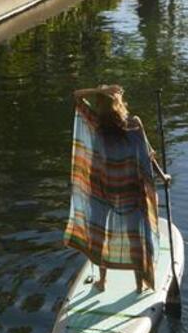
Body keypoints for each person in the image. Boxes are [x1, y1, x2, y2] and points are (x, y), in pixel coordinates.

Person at [64, 85, 169, 294]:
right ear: (119, 103)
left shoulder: (96, 122)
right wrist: (161, 175)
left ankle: (102, 282)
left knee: (101, 233)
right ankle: (140, 284)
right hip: (131, 189)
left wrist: (98, 90)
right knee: (135, 236)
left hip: (103, 189)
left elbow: (76, 96)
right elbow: (148, 155)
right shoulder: (134, 124)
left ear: (100, 104)